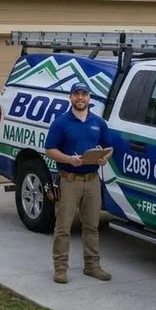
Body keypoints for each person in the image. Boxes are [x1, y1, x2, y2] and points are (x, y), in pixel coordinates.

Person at [43, 82, 115, 284]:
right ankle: (60, 269)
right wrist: (69, 159)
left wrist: (105, 158)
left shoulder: (98, 122)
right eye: (76, 94)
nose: (80, 98)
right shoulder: (61, 123)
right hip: (69, 181)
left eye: (84, 94)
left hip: (92, 181)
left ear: (89, 98)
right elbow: (50, 149)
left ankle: (92, 266)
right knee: (63, 228)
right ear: (71, 97)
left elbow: (109, 147)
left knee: (92, 226)